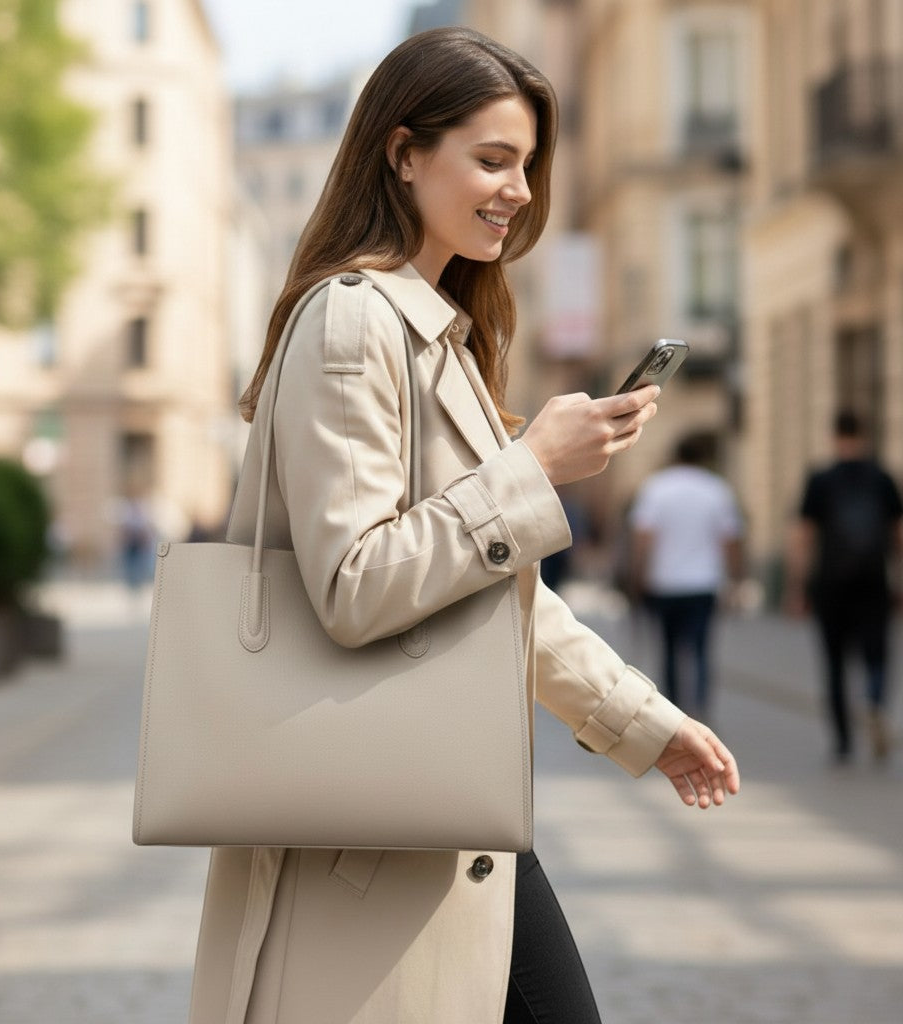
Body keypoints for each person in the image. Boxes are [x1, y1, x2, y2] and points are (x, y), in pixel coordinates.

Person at [189, 28, 739, 1024]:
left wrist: (641, 721)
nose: (519, 190)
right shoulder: (354, 319)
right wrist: (531, 471)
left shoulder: (440, 337)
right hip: (369, 822)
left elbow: (499, 596)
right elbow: (356, 586)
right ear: (402, 154)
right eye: (491, 160)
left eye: (526, 165)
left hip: (437, 808)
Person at [785, 410, 903, 764]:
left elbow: (804, 536)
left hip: (831, 583)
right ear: (864, 435)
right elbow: (899, 534)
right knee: (877, 653)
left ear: (834, 436)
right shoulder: (882, 478)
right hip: (873, 580)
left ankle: (842, 742)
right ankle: (874, 699)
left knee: (834, 662)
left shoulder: (821, 479)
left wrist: (797, 587)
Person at [629, 433, 745, 719]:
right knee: (701, 649)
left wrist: (638, 575)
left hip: (664, 582)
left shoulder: (656, 488)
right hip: (703, 584)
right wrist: (735, 579)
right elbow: (730, 540)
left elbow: (644, 537)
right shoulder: (716, 489)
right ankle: (701, 708)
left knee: (668, 649)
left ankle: (672, 712)